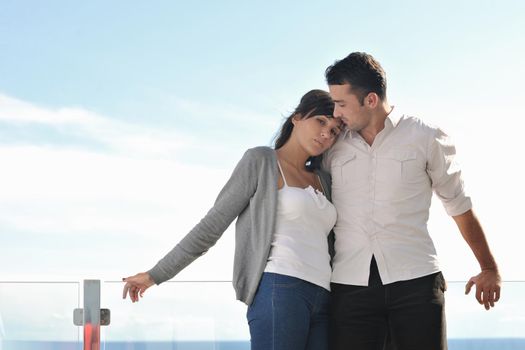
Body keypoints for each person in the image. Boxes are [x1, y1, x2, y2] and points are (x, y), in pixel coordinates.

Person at [122, 89, 344, 350]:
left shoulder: (324, 179)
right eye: (320, 121)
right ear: (296, 118)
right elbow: (212, 225)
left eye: (334, 131)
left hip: (324, 295)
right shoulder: (261, 161)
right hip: (281, 288)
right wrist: (155, 274)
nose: (325, 134)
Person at [322, 52, 501, 350]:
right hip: (349, 287)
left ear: (370, 100)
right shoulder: (333, 146)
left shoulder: (426, 137)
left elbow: (459, 206)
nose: (336, 113)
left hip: (416, 284)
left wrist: (489, 268)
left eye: (341, 104)